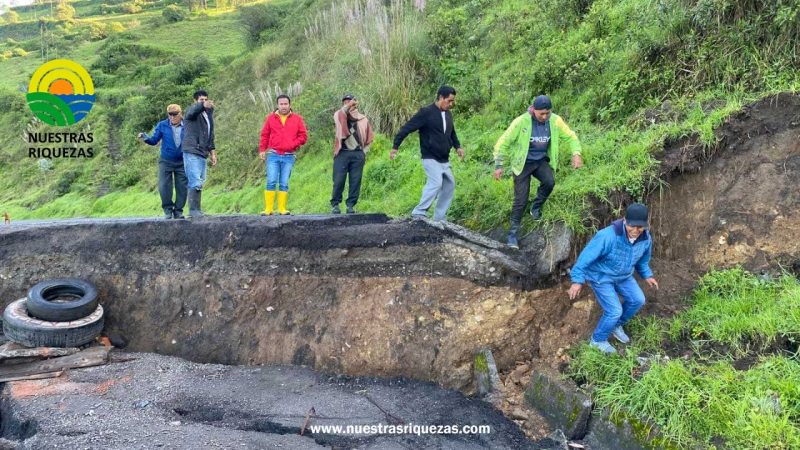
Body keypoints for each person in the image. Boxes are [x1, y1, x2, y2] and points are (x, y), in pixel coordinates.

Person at [567, 203, 659, 354]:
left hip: (623, 276)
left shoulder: (645, 238)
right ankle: (597, 340)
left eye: (640, 227)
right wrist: (577, 281)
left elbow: (642, 261)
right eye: (632, 226)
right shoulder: (607, 236)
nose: (636, 231)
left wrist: (647, 275)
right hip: (601, 277)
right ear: (624, 220)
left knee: (638, 300)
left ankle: (616, 325)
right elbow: (584, 259)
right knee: (614, 310)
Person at [493, 95, 583, 249]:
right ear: (533, 110)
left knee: (549, 182)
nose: (545, 116)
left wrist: (576, 153)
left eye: (547, 113)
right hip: (522, 164)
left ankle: (536, 206)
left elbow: (571, 136)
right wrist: (499, 165)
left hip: (540, 161)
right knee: (520, 199)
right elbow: (504, 141)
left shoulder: (555, 120)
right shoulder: (522, 122)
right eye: (541, 113)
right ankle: (512, 234)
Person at [390, 86, 464, 221]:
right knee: (436, 182)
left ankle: (439, 218)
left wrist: (457, 147)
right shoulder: (426, 112)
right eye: (449, 101)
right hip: (430, 157)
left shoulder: (448, 114)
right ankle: (418, 212)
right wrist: (395, 146)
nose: (451, 104)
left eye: (452, 101)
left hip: (444, 159)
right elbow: (407, 128)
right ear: (441, 97)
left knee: (449, 185)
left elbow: (451, 132)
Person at [258, 94, 308, 215]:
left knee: (284, 182)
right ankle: (268, 209)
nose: (284, 106)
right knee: (271, 180)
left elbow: (303, 136)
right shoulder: (271, 118)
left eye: (286, 104)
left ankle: (282, 209)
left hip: (289, 155)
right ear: (277, 105)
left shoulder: (297, 119)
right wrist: (262, 150)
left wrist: (293, 144)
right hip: (273, 154)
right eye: (281, 104)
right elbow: (264, 134)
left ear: (289, 105)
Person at [138, 104, 187, 219]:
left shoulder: (187, 125)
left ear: (180, 113)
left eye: (175, 114)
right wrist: (145, 137)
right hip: (166, 161)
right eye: (170, 114)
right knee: (164, 186)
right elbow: (154, 140)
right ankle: (168, 210)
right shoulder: (162, 125)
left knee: (182, 187)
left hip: (183, 161)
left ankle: (178, 211)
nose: (172, 117)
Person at [331, 93, 374, 214]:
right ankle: (335, 204)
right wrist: (348, 105)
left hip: (357, 154)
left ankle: (351, 205)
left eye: (349, 101)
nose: (347, 103)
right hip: (342, 153)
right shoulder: (339, 115)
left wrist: (363, 152)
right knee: (338, 180)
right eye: (345, 102)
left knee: (355, 181)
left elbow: (370, 138)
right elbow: (342, 112)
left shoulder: (363, 119)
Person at [182, 90, 217, 218]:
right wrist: (202, 106)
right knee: (195, 180)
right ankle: (193, 210)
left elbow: (210, 135)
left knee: (200, 180)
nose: (204, 102)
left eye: (205, 99)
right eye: (201, 100)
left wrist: (212, 152)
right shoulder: (191, 112)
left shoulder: (208, 115)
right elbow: (191, 112)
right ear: (195, 101)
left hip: (203, 151)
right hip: (192, 150)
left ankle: (197, 210)